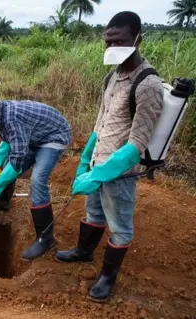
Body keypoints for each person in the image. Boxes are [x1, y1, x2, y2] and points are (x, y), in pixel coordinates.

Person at [54, 11, 164, 302]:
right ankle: (83, 252)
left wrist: (101, 174)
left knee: (120, 227)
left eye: (121, 40)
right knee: (94, 213)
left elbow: (136, 145)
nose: (113, 47)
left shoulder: (148, 85)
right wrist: (85, 162)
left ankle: (106, 279)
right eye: (109, 41)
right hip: (98, 162)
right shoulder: (112, 76)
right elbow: (100, 124)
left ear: (139, 39)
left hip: (120, 174)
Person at [0, 91, 72, 261]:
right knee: (6, 167)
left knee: (37, 180)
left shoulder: (12, 117)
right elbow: (7, 142)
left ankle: (45, 239)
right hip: (34, 136)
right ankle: (2, 204)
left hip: (53, 136)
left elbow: (18, 156)